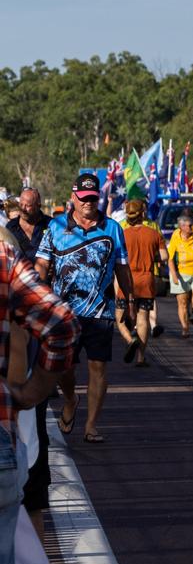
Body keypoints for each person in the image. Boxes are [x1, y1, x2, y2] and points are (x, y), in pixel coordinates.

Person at [0, 225, 77, 564]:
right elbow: (61, 325)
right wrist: (31, 394)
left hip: (17, 439)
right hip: (12, 437)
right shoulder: (9, 269)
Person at [36, 173, 133, 444]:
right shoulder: (55, 227)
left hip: (100, 311)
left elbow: (123, 268)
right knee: (64, 368)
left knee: (98, 368)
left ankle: (91, 426)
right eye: (84, 199)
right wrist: (39, 292)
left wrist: (131, 301)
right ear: (73, 198)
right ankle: (70, 399)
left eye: (93, 199)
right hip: (64, 312)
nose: (88, 204)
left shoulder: (112, 228)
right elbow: (42, 264)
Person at [115, 201, 166, 367]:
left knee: (120, 318)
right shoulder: (153, 233)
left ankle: (130, 340)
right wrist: (153, 257)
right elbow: (164, 256)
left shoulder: (122, 234)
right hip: (146, 281)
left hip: (126, 281)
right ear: (142, 213)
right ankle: (141, 357)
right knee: (143, 318)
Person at [167, 215, 193, 338]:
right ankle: (185, 327)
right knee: (183, 302)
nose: (192, 227)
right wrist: (174, 275)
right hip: (181, 273)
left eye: (192, 224)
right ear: (182, 227)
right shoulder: (176, 237)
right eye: (189, 226)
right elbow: (170, 258)